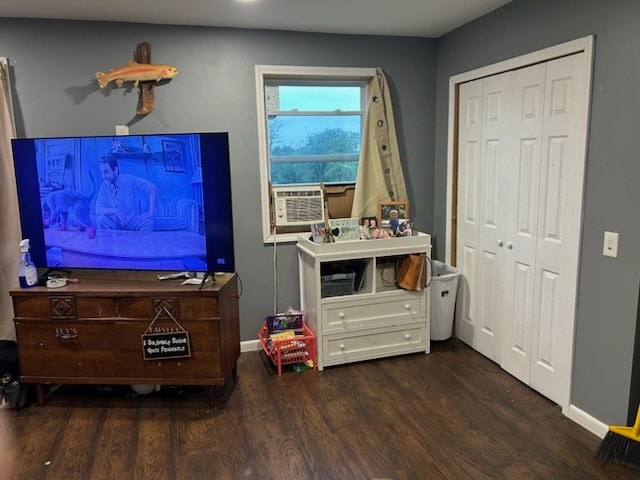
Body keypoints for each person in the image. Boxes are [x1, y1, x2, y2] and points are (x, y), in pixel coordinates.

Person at [95, 155, 157, 231]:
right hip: (115, 224)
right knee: (100, 220)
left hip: (133, 221)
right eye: (102, 172)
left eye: (106, 172)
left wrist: (151, 212)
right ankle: (112, 242)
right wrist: (116, 210)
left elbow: (152, 187)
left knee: (149, 223)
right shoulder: (103, 187)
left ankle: (139, 242)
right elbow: (98, 210)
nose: (103, 176)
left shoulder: (129, 179)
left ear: (115, 170)